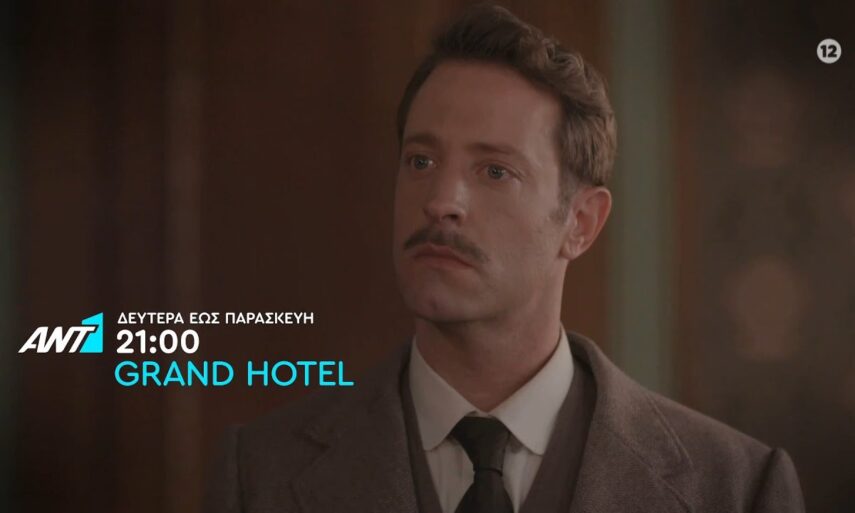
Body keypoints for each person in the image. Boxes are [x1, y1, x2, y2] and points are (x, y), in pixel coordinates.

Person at [204, 4, 805, 512]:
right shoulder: (259, 473)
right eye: (421, 161)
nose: (441, 201)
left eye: (494, 171)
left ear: (580, 223)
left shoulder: (736, 487)